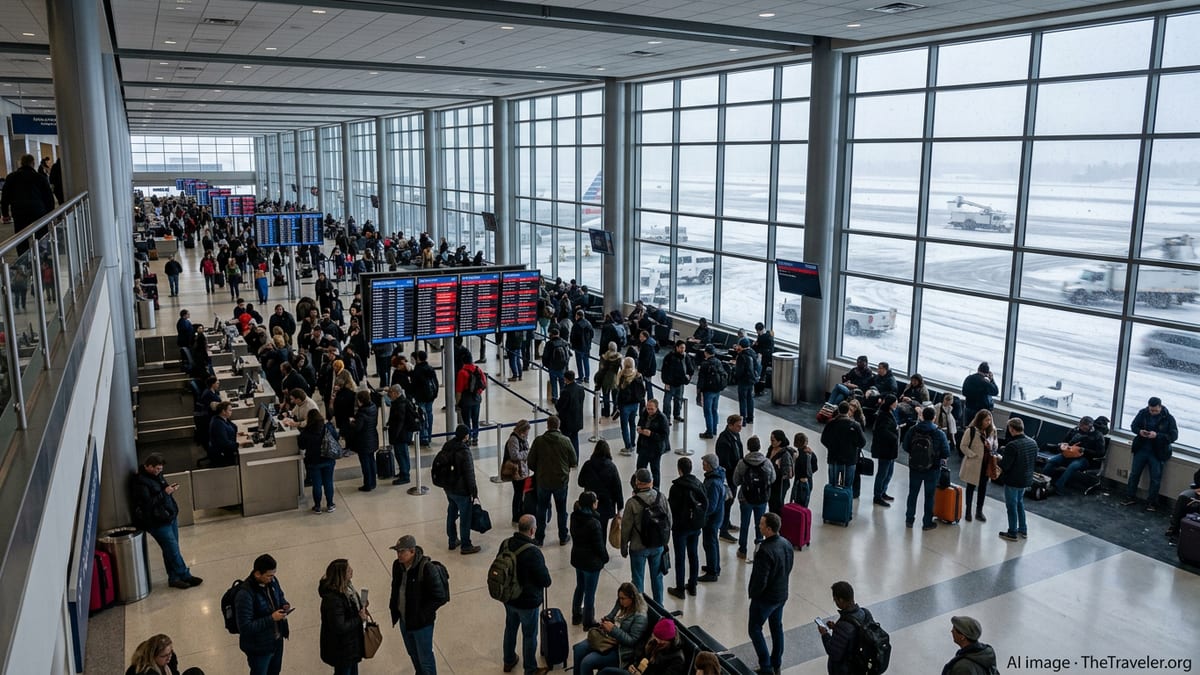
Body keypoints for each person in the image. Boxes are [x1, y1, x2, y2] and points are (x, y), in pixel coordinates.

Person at [131, 454, 202, 590]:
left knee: (169, 549)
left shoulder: (157, 476)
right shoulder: (140, 482)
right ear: (148, 466)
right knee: (173, 550)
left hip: (168, 516)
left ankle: (174, 578)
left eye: (160, 469)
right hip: (156, 521)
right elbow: (147, 504)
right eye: (157, 469)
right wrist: (165, 493)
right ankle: (185, 574)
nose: (159, 471)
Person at [388, 535, 449, 675]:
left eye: (402, 551)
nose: (399, 555)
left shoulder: (427, 569)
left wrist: (421, 615)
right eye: (397, 551)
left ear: (412, 551)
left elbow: (440, 597)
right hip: (404, 620)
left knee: (425, 659)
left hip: (422, 625)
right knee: (413, 654)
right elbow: (395, 588)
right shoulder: (397, 566)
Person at [501, 515, 552, 675]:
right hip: (527, 602)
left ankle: (508, 661)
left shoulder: (506, 543)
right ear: (532, 530)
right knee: (529, 635)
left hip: (509, 598)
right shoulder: (533, 552)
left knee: (510, 628)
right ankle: (530, 669)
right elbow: (545, 580)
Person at [744, 512, 794, 675]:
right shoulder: (786, 543)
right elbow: (789, 567)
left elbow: (760, 579)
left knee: (755, 629)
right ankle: (776, 662)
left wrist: (754, 593)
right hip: (781, 594)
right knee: (776, 627)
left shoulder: (765, 550)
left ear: (769, 529)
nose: (759, 526)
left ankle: (766, 667)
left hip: (765, 599)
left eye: (762, 524)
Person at [571, 583, 648, 675]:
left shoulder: (640, 616)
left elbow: (632, 641)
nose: (620, 601)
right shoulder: (621, 603)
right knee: (579, 649)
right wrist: (606, 620)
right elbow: (612, 615)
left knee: (587, 662)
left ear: (632, 598)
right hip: (607, 638)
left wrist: (613, 629)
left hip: (620, 650)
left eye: (623, 598)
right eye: (619, 598)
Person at [235, 553, 290, 675]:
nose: (272, 578)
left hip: (276, 639)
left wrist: (284, 604)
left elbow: (280, 596)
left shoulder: (272, 581)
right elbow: (245, 627)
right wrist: (271, 618)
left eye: (273, 575)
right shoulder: (245, 595)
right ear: (257, 574)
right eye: (269, 576)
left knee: (275, 671)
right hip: (259, 648)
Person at [621, 468, 670, 604]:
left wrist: (624, 546)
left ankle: (640, 610)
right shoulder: (661, 498)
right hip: (657, 545)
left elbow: (626, 527)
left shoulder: (632, 503)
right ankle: (659, 608)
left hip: (638, 547)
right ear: (651, 481)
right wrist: (664, 540)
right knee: (657, 578)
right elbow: (669, 521)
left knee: (637, 581)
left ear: (637, 482)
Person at [528, 415, 578, 546]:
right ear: (558, 426)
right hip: (561, 481)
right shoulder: (565, 441)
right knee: (561, 510)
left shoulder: (539, 441)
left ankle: (539, 538)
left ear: (547, 425)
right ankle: (563, 536)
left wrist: (539, 471)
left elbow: (530, 462)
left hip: (543, 481)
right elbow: (574, 461)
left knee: (541, 509)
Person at [1122, 397, 1179, 511]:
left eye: (1155, 411)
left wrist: (1157, 435)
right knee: (1134, 474)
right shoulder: (1143, 413)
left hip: (1157, 452)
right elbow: (1134, 426)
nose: (1152, 413)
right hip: (1142, 448)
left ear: (1160, 407)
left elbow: (1174, 436)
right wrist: (1140, 432)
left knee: (1155, 478)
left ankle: (1151, 502)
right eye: (1151, 410)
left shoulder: (1168, 418)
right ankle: (1130, 496)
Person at [904, 406, 951, 531]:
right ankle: (927, 522)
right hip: (932, 469)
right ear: (934, 418)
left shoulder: (913, 429)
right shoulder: (939, 433)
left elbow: (905, 446)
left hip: (914, 467)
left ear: (922, 416)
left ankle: (909, 519)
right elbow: (946, 452)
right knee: (930, 496)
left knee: (912, 494)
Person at [666, 456, 707, 599]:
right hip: (695, 526)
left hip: (680, 528)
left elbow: (671, 508)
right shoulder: (698, 484)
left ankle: (679, 588)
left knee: (680, 557)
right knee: (693, 554)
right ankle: (693, 585)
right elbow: (705, 503)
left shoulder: (676, 487)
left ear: (679, 470)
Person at [437, 425, 481, 554]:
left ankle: (452, 540)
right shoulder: (464, 451)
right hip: (461, 490)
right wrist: (474, 491)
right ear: (466, 436)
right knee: (465, 518)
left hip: (449, 488)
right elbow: (469, 473)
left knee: (451, 513)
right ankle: (466, 545)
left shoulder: (447, 445)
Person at [318, 559, 367, 675]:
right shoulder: (333, 599)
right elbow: (339, 626)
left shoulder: (348, 589)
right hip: (341, 649)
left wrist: (360, 605)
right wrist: (359, 619)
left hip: (350, 646)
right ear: (341, 574)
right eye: (348, 570)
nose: (352, 571)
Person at [1, 154, 55, 255]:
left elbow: (5, 197)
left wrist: (5, 214)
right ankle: (41, 259)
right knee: (40, 236)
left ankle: (24, 261)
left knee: (21, 238)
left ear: (21, 163)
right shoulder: (39, 177)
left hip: (19, 213)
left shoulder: (11, 177)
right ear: (33, 163)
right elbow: (49, 198)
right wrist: (50, 213)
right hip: (38, 212)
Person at [570, 491, 609, 628]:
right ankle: (588, 620)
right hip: (591, 563)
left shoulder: (574, 517)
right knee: (590, 592)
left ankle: (576, 614)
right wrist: (605, 558)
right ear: (592, 504)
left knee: (580, 586)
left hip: (577, 559)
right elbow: (599, 545)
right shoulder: (594, 523)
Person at [732, 436, 775, 560]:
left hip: (745, 498)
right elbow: (772, 479)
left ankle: (742, 550)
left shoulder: (742, 463)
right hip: (762, 498)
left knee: (744, 524)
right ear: (759, 447)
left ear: (748, 447)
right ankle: (759, 547)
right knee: (759, 523)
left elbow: (735, 481)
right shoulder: (766, 462)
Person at [1043, 415, 1106, 496]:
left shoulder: (1097, 435)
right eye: (1081, 426)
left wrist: (1084, 450)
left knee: (1073, 466)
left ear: (1090, 427)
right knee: (1052, 461)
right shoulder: (1075, 430)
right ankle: (1043, 481)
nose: (1082, 429)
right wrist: (1064, 446)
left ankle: (1058, 487)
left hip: (1084, 458)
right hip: (1068, 454)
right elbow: (1065, 441)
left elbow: (1100, 453)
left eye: (1084, 428)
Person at [997, 417, 1037, 541]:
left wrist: (999, 459)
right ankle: (1023, 529)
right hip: (1026, 479)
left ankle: (1012, 532)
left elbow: (1005, 466)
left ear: (1012, 429)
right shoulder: (1032, 443)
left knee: (1011, 506)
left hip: (1013, 480)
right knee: (1019, 503)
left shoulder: (1012, 446)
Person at [818, 581, 870, 675]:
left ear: (841, 600)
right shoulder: (865, 613)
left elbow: (834, 653)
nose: (835, 603)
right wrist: (836, 628)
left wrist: (824, 634)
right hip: (861, 664)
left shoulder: (844, 626)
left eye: (835, 600)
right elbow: (857, 634)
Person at [603, 617, 686, 675]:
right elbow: (641, 655)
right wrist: (634, 665)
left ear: (669, 640)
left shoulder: (677, 658)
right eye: (655, 637)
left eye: (661, 640)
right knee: (605, 672)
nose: (657, 641)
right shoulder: (653, 640)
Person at [577, 439, 624, 537]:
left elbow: (580, 482)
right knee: (602, 530)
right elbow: (617, 489)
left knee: (590, 529)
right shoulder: (611, 467)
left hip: (590, 502)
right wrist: (620, 507)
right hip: (606, 504)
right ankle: (601, 549)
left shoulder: (588, 465)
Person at [959, 410, 998, 523]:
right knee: (970, 488)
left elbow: (996, 445)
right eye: (986, 420)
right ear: (980, 420)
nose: (989, 422)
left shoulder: (992, 431)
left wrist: (991, 446)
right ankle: (968, 511)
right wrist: (972, 455)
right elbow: (963, 446)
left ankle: (979, 511)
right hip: (974, 464)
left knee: (983, 489)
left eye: (990, 420)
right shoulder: (971, 431)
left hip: (986, 465)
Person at [820, 402, 865, 492]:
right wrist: (853, 446)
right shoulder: (855, 425)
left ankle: (832, 503)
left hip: (834, 458)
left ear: (838, 410)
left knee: (832, 485)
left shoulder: (831, 423)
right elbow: (862, 442)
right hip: (850, 459)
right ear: (848, 410)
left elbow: (823, 439)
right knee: (848, 486)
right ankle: (845, 504)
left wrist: (831, 447)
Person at [299, 409, 337, 513]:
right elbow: (336, 437)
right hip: (328, 458)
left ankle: (317, 506)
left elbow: (301, 445)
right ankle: (330, 504)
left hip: (313, 461)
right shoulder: (327, 428)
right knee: (328, 482)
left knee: (317, 483)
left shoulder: (306, 431)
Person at [715, 415, 745, 542]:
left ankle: (726, 523)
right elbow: (725, 463)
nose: (740, 428)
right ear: (730, 425)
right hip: (728, 477)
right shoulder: (723, 440)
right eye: (738, 425)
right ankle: (723, 530)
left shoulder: (735, 435)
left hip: (735, 475)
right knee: (727, 502)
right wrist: (736, 471)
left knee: (730, 502)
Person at [697, 454, 726, 583]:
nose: (702, 465)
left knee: (710, 543)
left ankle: (712, 572)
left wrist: (701, 512)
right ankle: (714, 566)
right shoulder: (715, 478)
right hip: (716, 517)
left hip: (712, 520)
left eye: (704, 463)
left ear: (709, 465)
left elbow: (711, 506)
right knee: (712, 543)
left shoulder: (713, 483)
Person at [386, 384, 419, 485]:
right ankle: (404, 471)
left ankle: (405, 475)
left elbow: (399, 422)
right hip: (404, 433)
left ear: (396, 393)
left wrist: (394, 436)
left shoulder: (399, 404)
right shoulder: (402, 401)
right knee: (403, 453)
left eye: (391, 392)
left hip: (401, 435)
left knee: (401, 454)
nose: (389, 395)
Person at [871, 395, 900, 508]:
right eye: (895, 402)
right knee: (882, 473)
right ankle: (877, 495)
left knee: (889, 473)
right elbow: (883, 432)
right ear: (891, 403)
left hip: (890, 450)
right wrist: (895, 434)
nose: (897, 404)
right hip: (885, 450)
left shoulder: (889, 413)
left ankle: (883, 491)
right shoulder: (883, 416)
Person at [349, 389, 379, 492]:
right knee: (371, 460)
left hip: (363, 441)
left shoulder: (362, 413)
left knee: (365, 463)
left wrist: (352, 422)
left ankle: (367, 484)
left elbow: (358, 427)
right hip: (372, 438)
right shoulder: (373, 407)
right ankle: (373, 482)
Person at [636, 398, 671, 488]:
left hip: (655, 449)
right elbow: (640, 423)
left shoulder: (662, 418)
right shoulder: (644, 413)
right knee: (640, 469)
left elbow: (664, 436)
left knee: (655, 470)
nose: (649, 411)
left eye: (651, 409)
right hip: (643, 447)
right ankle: (639, 487)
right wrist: (640, 429)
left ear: (657, 408)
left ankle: (656, 489)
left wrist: (651, 434)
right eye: (648, 408)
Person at [616, 357, 647, 454]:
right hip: (635, 403)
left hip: (624, 404)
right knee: (632, 424)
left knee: (624, 426)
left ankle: (627, 446)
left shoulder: (622, 375)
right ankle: (633, 443)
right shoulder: (637, 375)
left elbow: (618, 388)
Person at [503, 419, 533, 522]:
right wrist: (527, 453)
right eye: (527, 430)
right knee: (518, 493)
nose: (528, 433)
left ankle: (521, 512)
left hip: (524, 470)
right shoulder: (514, 439)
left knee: (522, 493)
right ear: (523, 430)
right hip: (517, 471)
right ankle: (516, 515)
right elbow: (514, 455)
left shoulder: (523, 438)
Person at [660, 340, 695, 423]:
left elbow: (690, 368)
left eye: (684, 348)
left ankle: (677, 415)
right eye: (681, 348)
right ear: (677, 347)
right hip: (670, 383)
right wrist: (666, 382)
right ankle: (666, 418)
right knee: (667, 401)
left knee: (678, 400)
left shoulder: (686, 357)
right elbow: (664, 371)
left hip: (680, 383)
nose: (683, 350)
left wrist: (688, 376)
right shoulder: (669, 357)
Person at [411, 350, 439, 447]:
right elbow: (435, 382)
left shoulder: (417, 370)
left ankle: (423, 438)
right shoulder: (430, 368)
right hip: (430, 397)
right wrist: (434, 394)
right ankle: (429, 436)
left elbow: (413, 385)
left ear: (418, 358)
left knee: (422, 416)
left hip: (420, 397)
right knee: (429, 414)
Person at [556, 370, 586, 453]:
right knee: (575, 439)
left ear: (566, 379)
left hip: (567, 421)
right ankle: (575, 458)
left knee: (565, 441)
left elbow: (560, 406)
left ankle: (567, 458)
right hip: (577, 419)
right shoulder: (580, 388)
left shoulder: (565, 391)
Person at [766, 429, 795, 515]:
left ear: (779, 442)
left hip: (780, 485)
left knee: (777, 506)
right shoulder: (771, 449)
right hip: (771, 483)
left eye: (773, 440)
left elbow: (789, 474)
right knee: (771, 505)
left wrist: (777, 472)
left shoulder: (785, 454)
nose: (771, 442)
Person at [961, 362, 998, 428]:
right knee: (980, 430)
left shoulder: (969, 378)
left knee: (969, 429)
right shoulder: (985, 382)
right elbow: (995, 391)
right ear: (987, 373)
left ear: (978, 369)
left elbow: (964, 392)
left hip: (969, 408)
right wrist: (992, 380)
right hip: (981, 411)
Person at [732, 338, 760, 424]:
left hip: (743, 381)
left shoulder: (741, 356)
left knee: (742, 400)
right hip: (751, 380)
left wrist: (736, 375)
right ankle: (750, 418)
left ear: (741, 346)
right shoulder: (752, 353)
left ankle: (743, 419)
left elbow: (739, 371)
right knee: (750, 399)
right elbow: (756, 366)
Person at [208, 401, 241, 467]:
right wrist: (239, 444)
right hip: (223, 455)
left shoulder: (223, 419)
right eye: (229, 410)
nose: (231, 412)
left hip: (226, 449)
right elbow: (224, 443)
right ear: (223, 411)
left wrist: (238, 434)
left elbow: (233, 427)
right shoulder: (218, 424)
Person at [543, 327, 572, 400]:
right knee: (562, 383)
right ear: (558, 334)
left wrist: (547, 365)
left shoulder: (549, 344)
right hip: (563, 367)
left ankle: (554, 397)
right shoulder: (564, 342)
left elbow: (545, 356)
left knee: (553, 382)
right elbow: (568, 355)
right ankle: (562, 397)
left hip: (552, 367)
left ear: (551, 334)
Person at [595, 341, 623, 417]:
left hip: (605, 379)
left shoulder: (604, 357)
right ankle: (615, 410)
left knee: (605, 396)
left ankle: (606, 412)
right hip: (615, 379)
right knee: (615, 396)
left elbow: (601, 370)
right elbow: (622, 369)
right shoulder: (619, 358)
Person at [790, 432, 818, 508]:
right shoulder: (810, 453)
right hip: (808, 480)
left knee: (797, 501)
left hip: (799, 481)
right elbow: (815, 468)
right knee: (804, 502)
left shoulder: (796, 454)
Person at [570, 309, 595, 382]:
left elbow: (573, 336)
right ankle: (587, 377)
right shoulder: (588, 324)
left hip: (578, 347)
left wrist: (573, 344)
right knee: (586, 362)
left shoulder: (576, 325)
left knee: (579, 362)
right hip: (587, 347)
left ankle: (580, 377)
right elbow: (592, 335)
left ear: (578, 316)